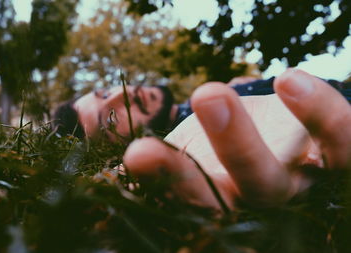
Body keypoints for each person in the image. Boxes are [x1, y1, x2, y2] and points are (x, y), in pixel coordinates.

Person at [53, 69, 351, 211]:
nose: (123, 94)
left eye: (104, 93)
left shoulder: (220, 89)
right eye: (110, 117)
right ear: (115, 147)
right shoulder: (193, 140)